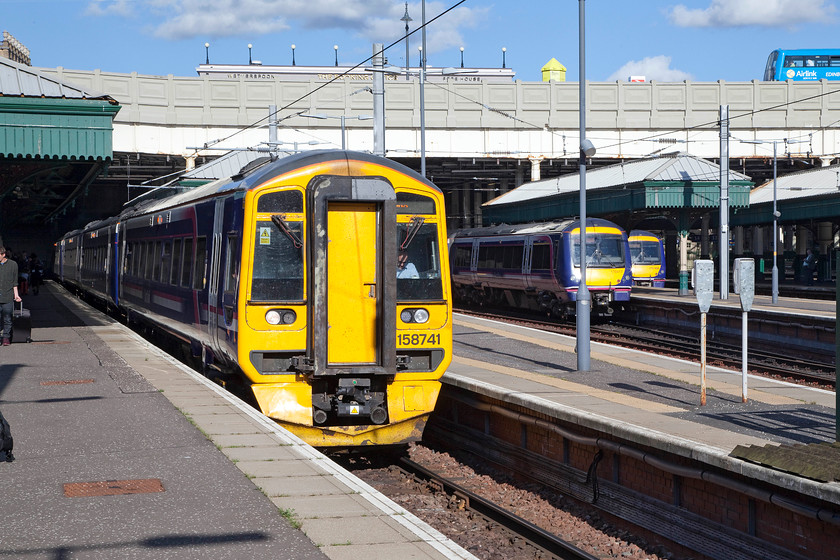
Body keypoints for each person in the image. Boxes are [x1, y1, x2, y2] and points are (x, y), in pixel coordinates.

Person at [0, 247, 22, 346]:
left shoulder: (13, 265)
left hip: (8, 296)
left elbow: (14, 282)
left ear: (3, 254)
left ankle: (6, 338)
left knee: (8, 318)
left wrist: (16, 295)